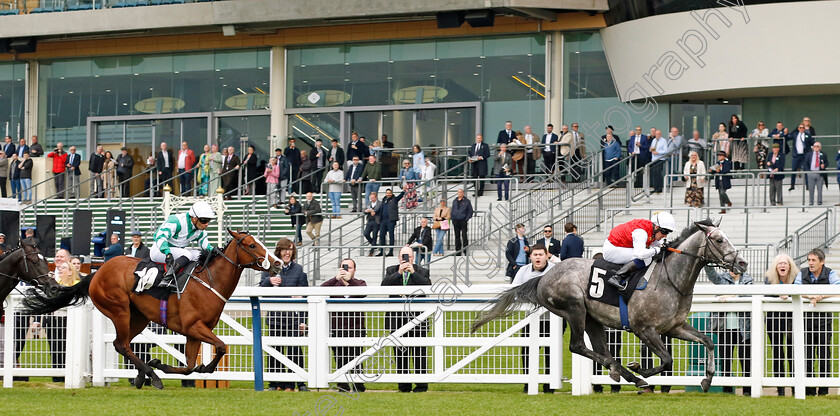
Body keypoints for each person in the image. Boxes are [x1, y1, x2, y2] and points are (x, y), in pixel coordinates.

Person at [381, 245, 432, 393]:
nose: (406, 259)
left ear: (413, 257)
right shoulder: (391, 270)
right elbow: (384, 287)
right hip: (396, 319)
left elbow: (427, 287)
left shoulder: (422, 271)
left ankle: (421, 386)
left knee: (419, 353)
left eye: (408, 256)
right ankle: (403, 386)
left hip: (417, 319)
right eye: (403, 256)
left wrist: (413, 273)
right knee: (400, 353)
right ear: (398, 257)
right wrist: (399, 273)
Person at [261, 238, 309, 392]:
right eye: (284, 249)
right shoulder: (269, 268)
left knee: (295, 352)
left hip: (293, 318)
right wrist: (269, 281)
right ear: (279, 251)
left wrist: (303, 321)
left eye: (289, 249)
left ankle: (296, 383)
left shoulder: (299, 269)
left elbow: (304, 297)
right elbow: (261, 290)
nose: (287, 252)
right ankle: (275, 384)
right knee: (275, 352)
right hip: (275, 317)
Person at [511, 243, 556, 393]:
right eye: (535, 255)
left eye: (540, 254)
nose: (538, 257)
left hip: (553, 319)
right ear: (530, 257)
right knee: (528, 350)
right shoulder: (523, 271)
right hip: (530, 319)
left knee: (551, 351)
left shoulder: (555, 270)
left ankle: (549, 385)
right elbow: (514, 290)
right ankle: (528, 382)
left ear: (546, 255)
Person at [793, 248, 838, 396]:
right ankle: (809, 390)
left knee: (824, 354)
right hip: (805, 321)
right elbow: (796, 289)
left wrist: (820, 296)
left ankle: (824, 390)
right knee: (808, 355)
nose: (810, 263)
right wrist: (812, 295)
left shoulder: (830, 273)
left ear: (822, 262)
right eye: (809, 260)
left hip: (825, 321)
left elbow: (837, 289)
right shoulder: (802, 273)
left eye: (814, 260)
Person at [320, 258, 367, 393]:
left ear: (354, 270)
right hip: (337, 327)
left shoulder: (359, 283)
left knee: (356, 358)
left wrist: (349, 281)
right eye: (343, 267)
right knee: (340, 357)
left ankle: (359, 385)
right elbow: (321, 290)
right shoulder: (334, 285)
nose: (346, 270)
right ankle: (343, 386)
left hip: (355, 327)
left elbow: (363, 291)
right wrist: (335, 279)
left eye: (349, 268)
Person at [705, 265, 752, 395]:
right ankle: (727, 390)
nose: (732, 270)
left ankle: (747, 390)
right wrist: (707, 262)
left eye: (735, 268)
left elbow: (747, 296)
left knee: (745, 359)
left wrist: (731, 295)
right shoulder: (722, 278)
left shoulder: (748, 280)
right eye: (730, 268)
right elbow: (711, 274)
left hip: (744, 329)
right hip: (724, 328)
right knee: (725, 359)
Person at [150, 200, 216, 289]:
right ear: (194, 218)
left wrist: (217, 251)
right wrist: (167, 253)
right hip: (159, 251)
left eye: (209, 221)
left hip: (177, 252)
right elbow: (160, 235)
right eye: (204, 221)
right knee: (186, 254)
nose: (206, 224)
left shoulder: (200, 231)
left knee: (200, 255)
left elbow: (206, 247)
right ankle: (167, 279)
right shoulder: (177, 221)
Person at [603, 212, 675, 290]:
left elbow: (659, 244)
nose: (665, 235)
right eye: (664, 232)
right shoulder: (641, 233)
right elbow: (639, 254)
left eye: (668, 232)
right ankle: (617, 277)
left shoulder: (652, 230)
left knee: (648, 255)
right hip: (612, 249)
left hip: (620, 246)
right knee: (647, 258)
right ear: (656, 227)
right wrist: (656, 250)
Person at [764, 253, 797, 396]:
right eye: (780, 263)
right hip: (774, 320)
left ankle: (795, 387)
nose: (783, 266)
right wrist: (778, 295)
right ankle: (780, 388)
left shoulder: (796, 279)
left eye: (785, 263)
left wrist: (788, 296)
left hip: (791, 320)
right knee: (777, 353)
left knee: (792, 352)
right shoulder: (769, 279)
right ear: (775, 266)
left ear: (790, 266)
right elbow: (765, 295)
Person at [377, 188, 404, 257]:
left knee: (391, 235)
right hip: (383, 220)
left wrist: (404, 191)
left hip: (391, 220)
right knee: (382, 235)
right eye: (387, 193)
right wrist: (374, 212)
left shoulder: (394, 199)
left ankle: (391, 251)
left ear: (392, 193)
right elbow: (380, 208)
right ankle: (382, 251)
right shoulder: (384, 200)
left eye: (389, 193)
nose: (388, 194)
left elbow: (400, 196)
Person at [786, 124, 814, 191]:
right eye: (800, 127)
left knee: (806, 170)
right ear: (798, 128)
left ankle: (808, 185)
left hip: (804, 155)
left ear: (804, 128)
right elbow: (787, 138)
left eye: (803, 128)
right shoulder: (795, 134)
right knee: (793, 170)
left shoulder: (807, 135)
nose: (801, 129)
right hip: (796, 155)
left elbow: (812, 142)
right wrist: (786, 133)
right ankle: (792, 185)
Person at [451, 188, 473, 256]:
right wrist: (453, 218)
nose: (459, 193)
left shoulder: (467, 201)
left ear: (463, 193)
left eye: (461, 192)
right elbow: (452, 210)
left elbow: (470, 211)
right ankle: (458, 251)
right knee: (457, 236)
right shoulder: (455, 201)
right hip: (456, 221)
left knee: (464, 236)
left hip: (463, 220)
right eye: (458, 192)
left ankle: (465, 250)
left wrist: (466, 218)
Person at [805, 141, 827, 206]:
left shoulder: (823, 154)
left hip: (819, 173)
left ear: (820, 147)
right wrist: (808, 172)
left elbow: (826, 162)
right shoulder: (809, 154)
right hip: (811, 172)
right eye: (815, 146)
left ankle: (819, 201)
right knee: (811, 189)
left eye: (817, 146)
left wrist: (824, 166)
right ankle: (811, 201)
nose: (816, 147)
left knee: (820, 188)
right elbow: (805, 163)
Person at [363, 192, 382, 256]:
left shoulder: (380, 203)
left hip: (376, 221)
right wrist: (366, 211)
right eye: (371, 198)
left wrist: (374, 212)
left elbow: (381, 211)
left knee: (375, 235)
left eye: (373, 198)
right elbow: (365, 210)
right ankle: (373, 244)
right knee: (366, 233)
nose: (372, 199)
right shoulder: (369, 203)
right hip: (369, 220)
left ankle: (372, 250)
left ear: (376, 197)